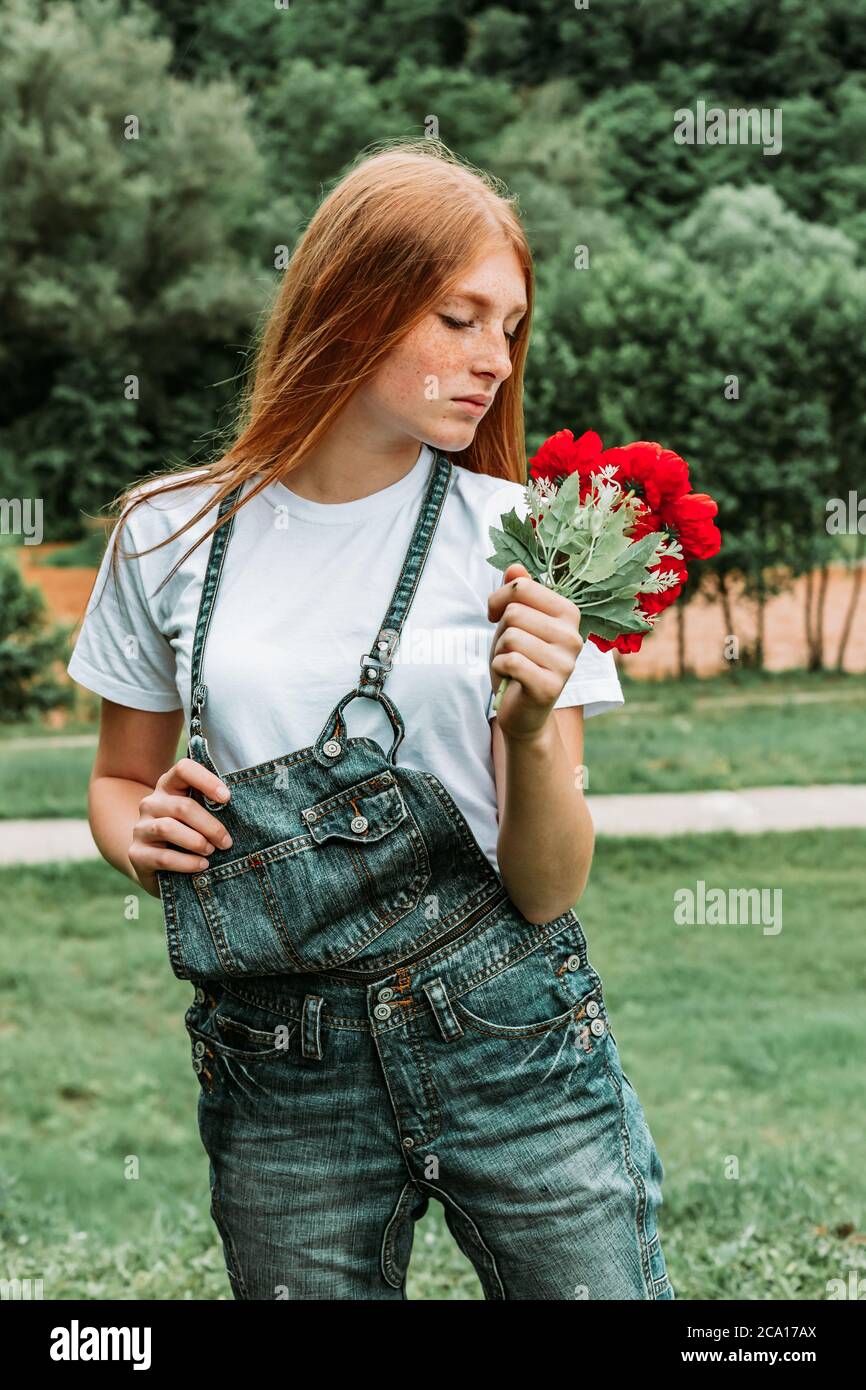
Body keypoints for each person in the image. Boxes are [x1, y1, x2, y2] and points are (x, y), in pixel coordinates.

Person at [67, 138, 674, 1301]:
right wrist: (136, 840)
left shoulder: (526, 537)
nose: (493, 358)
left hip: (512, 1037)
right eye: (459, 317)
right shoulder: (165, 532)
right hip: (276, 1062)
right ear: (350, 303)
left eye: (509, 325)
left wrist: (537, 725)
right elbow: (118, 782)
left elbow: (547, 887)